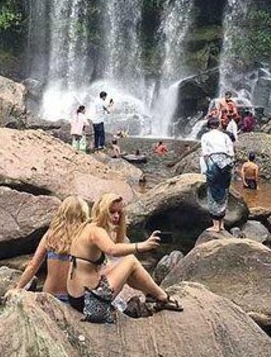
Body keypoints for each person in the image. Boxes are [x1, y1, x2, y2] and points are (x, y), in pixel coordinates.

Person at [67, 193, 182, 322]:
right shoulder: (96, 231)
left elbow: (118, 247)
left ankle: (151, 294)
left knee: (123, 263)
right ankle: (162, 297)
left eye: (119, 212)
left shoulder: (88, 226)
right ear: (102, 211)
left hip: (77, 297)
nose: (116, 216)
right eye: (112, 212)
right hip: (89, 301)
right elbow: (113, 250)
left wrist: (122, 223)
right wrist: (141, 246)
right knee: (130, 260)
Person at [15, 197, 90, 302]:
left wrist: (18, 288)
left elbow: (33, 265)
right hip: (73, 298)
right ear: (84, 214)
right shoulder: (85, 236)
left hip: (49, 296)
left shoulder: (50, 234)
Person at [200, 118, 235, 232]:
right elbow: (231, 152)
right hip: (226, 163)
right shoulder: (225, 136)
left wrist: (206, 168)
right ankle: (222, 224)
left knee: (213, 192)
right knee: (224, 191)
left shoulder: (205, 136)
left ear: (208, 126)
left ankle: (215, 225)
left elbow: (205, 153)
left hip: (213, 162)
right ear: (219, 125)